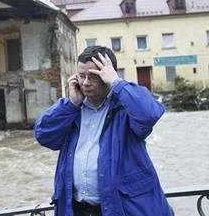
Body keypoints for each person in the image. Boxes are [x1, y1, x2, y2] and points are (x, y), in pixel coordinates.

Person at [34, 46, 172, 216]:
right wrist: (70, 105)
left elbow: (149, 114)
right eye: (81, 76)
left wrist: (117, 82)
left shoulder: (125, 107)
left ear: (107, 75)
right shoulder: (72, 110)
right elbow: (43, 135)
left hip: (121, 208)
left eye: (93, 76)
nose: (85, 83)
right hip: (77, 209)